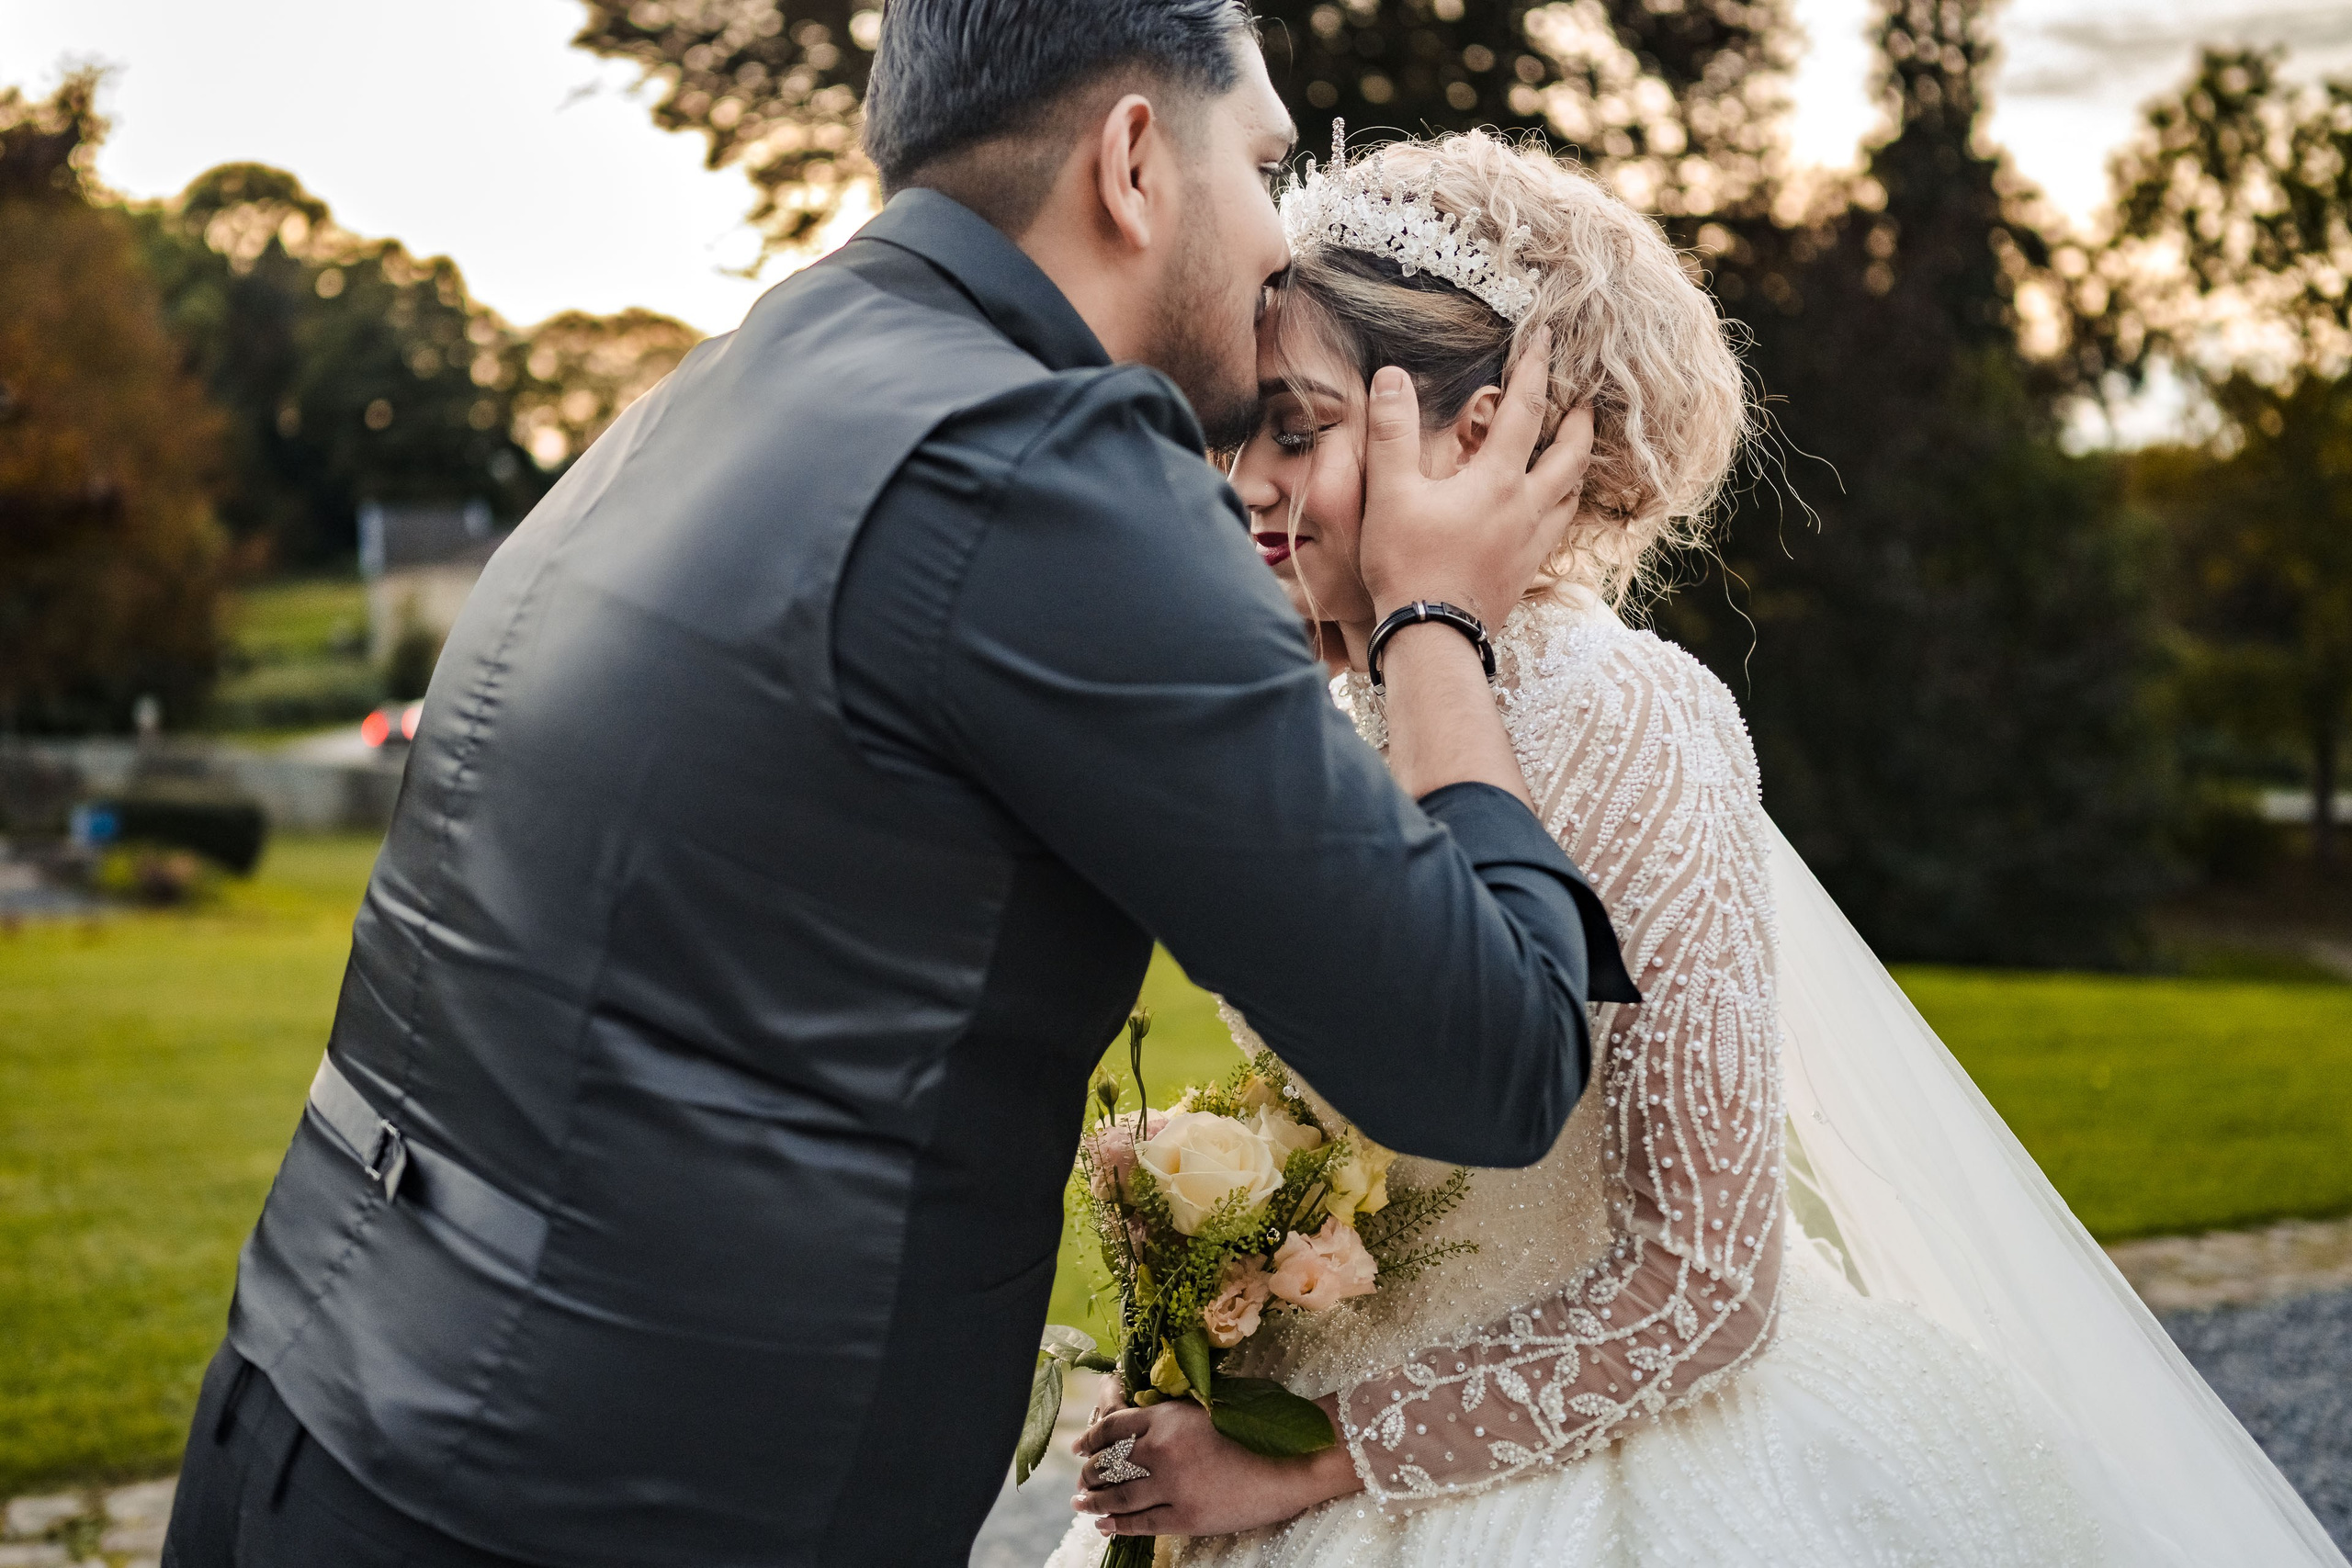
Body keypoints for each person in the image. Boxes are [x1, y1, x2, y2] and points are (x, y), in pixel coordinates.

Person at [159, 6, 1639, 1568]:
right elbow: (1489, 1058)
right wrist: (1432, 613)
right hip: (588, 1515)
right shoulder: (1045, 470)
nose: (1282, 246)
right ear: (1135, 163)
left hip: (298, 1423)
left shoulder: (733, 381)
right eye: (1264, 165)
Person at [1057, 129, 2349, 1567]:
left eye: (1295, 431)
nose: (1242, 481)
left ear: (1484, 434)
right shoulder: (1312, 712)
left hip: (1591, 1481)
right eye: (1234, 430)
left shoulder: (1619, 711)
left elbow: (1706, 1278)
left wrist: (1316, 1456)